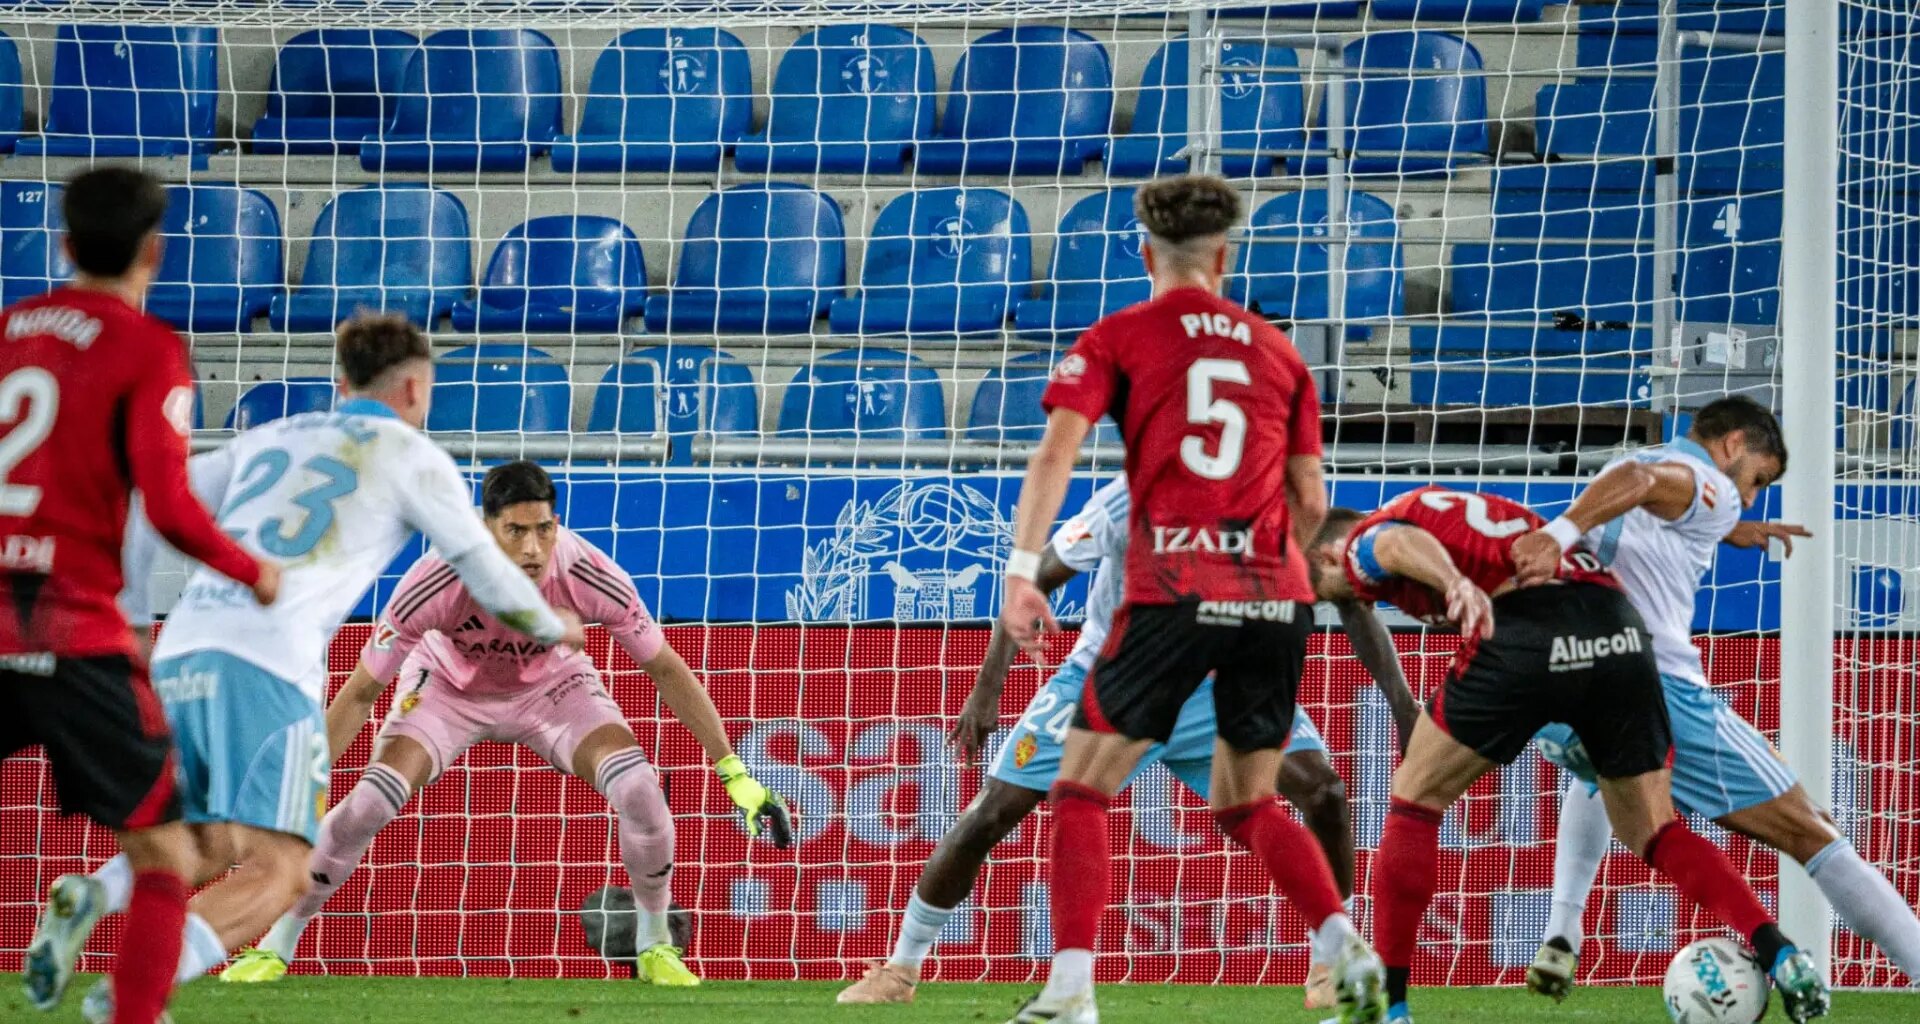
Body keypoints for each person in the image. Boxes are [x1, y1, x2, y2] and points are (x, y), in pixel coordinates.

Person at [26, 313, 586, 1024]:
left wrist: (134, 620)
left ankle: (96, 896)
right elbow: (479, 563)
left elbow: (141, 502)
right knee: (283, 869)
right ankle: (136, 996)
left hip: (182, 649)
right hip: (268, 664)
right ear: (415, 388)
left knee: (207, 838)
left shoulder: (266, 437)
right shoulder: (410, 456)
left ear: (340, 382)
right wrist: (550, 623)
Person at [995, 174, 1385, 1024]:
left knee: (1082, 793)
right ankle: (1346, 945)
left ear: (1146, 254)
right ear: (1224, 256)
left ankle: (1069, 993)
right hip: (1276, 599)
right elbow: (1313, 502)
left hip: (1174, 587)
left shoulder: (1120, 335)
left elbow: (1054, 455)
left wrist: (1023, 569)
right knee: (1247, 802)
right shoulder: (1279, 352)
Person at [837, 475, 1419, 1010]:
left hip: (1219, 681)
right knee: (993, 814)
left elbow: (1349, 595)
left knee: (1324, 793)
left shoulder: (1276, 495)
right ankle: (900, 969)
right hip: (1109, 676)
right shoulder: (1130, 496)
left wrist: (1403, 705)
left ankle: (1329, 963)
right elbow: (1039, 574)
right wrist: (989, 687)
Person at [222, 460, 792, 986]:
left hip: (553, 689)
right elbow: (362, 690)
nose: (533, 548)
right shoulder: (438, 578)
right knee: (370, 802)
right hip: (447, 690)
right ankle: (275, 944)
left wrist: (733, 773)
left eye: (543, 529)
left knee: (641, 789)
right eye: (516, 531)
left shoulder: (590, 573)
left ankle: (653, 943)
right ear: (484, 525)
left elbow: (666, 669)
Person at [1305, 486, 1830, 1024]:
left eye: (1324, 589)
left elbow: (1392, 545)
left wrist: (1453, 583)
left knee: (1414, 800)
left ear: (1326, 553)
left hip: (1525, 628)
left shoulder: (1362, 540)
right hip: (1618, 628)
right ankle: (1781, 954)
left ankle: (1386, 1011)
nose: (1342, 598)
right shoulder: (1444, 506)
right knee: (1653, 829)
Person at [1517, 396, 1920, 995]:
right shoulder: (1700, 479)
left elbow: (1651, 491)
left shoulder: (1630, 468)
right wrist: (1556, 533)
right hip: (1662, 687)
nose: (1752, 496)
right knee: (1813, 829)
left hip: (1564, 690)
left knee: (1601, 776)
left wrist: (1734, 529)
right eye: (1757, 478)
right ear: (1733, 444)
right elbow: (1651, 483)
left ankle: (1562, 932)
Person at [7, 168, 278, 1024]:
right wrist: (253, 571)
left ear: (64, 244)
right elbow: (169, 506)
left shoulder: (8, 332)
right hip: (76, 631)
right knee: (169, 850)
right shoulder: (148, 347)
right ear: (156, 251)